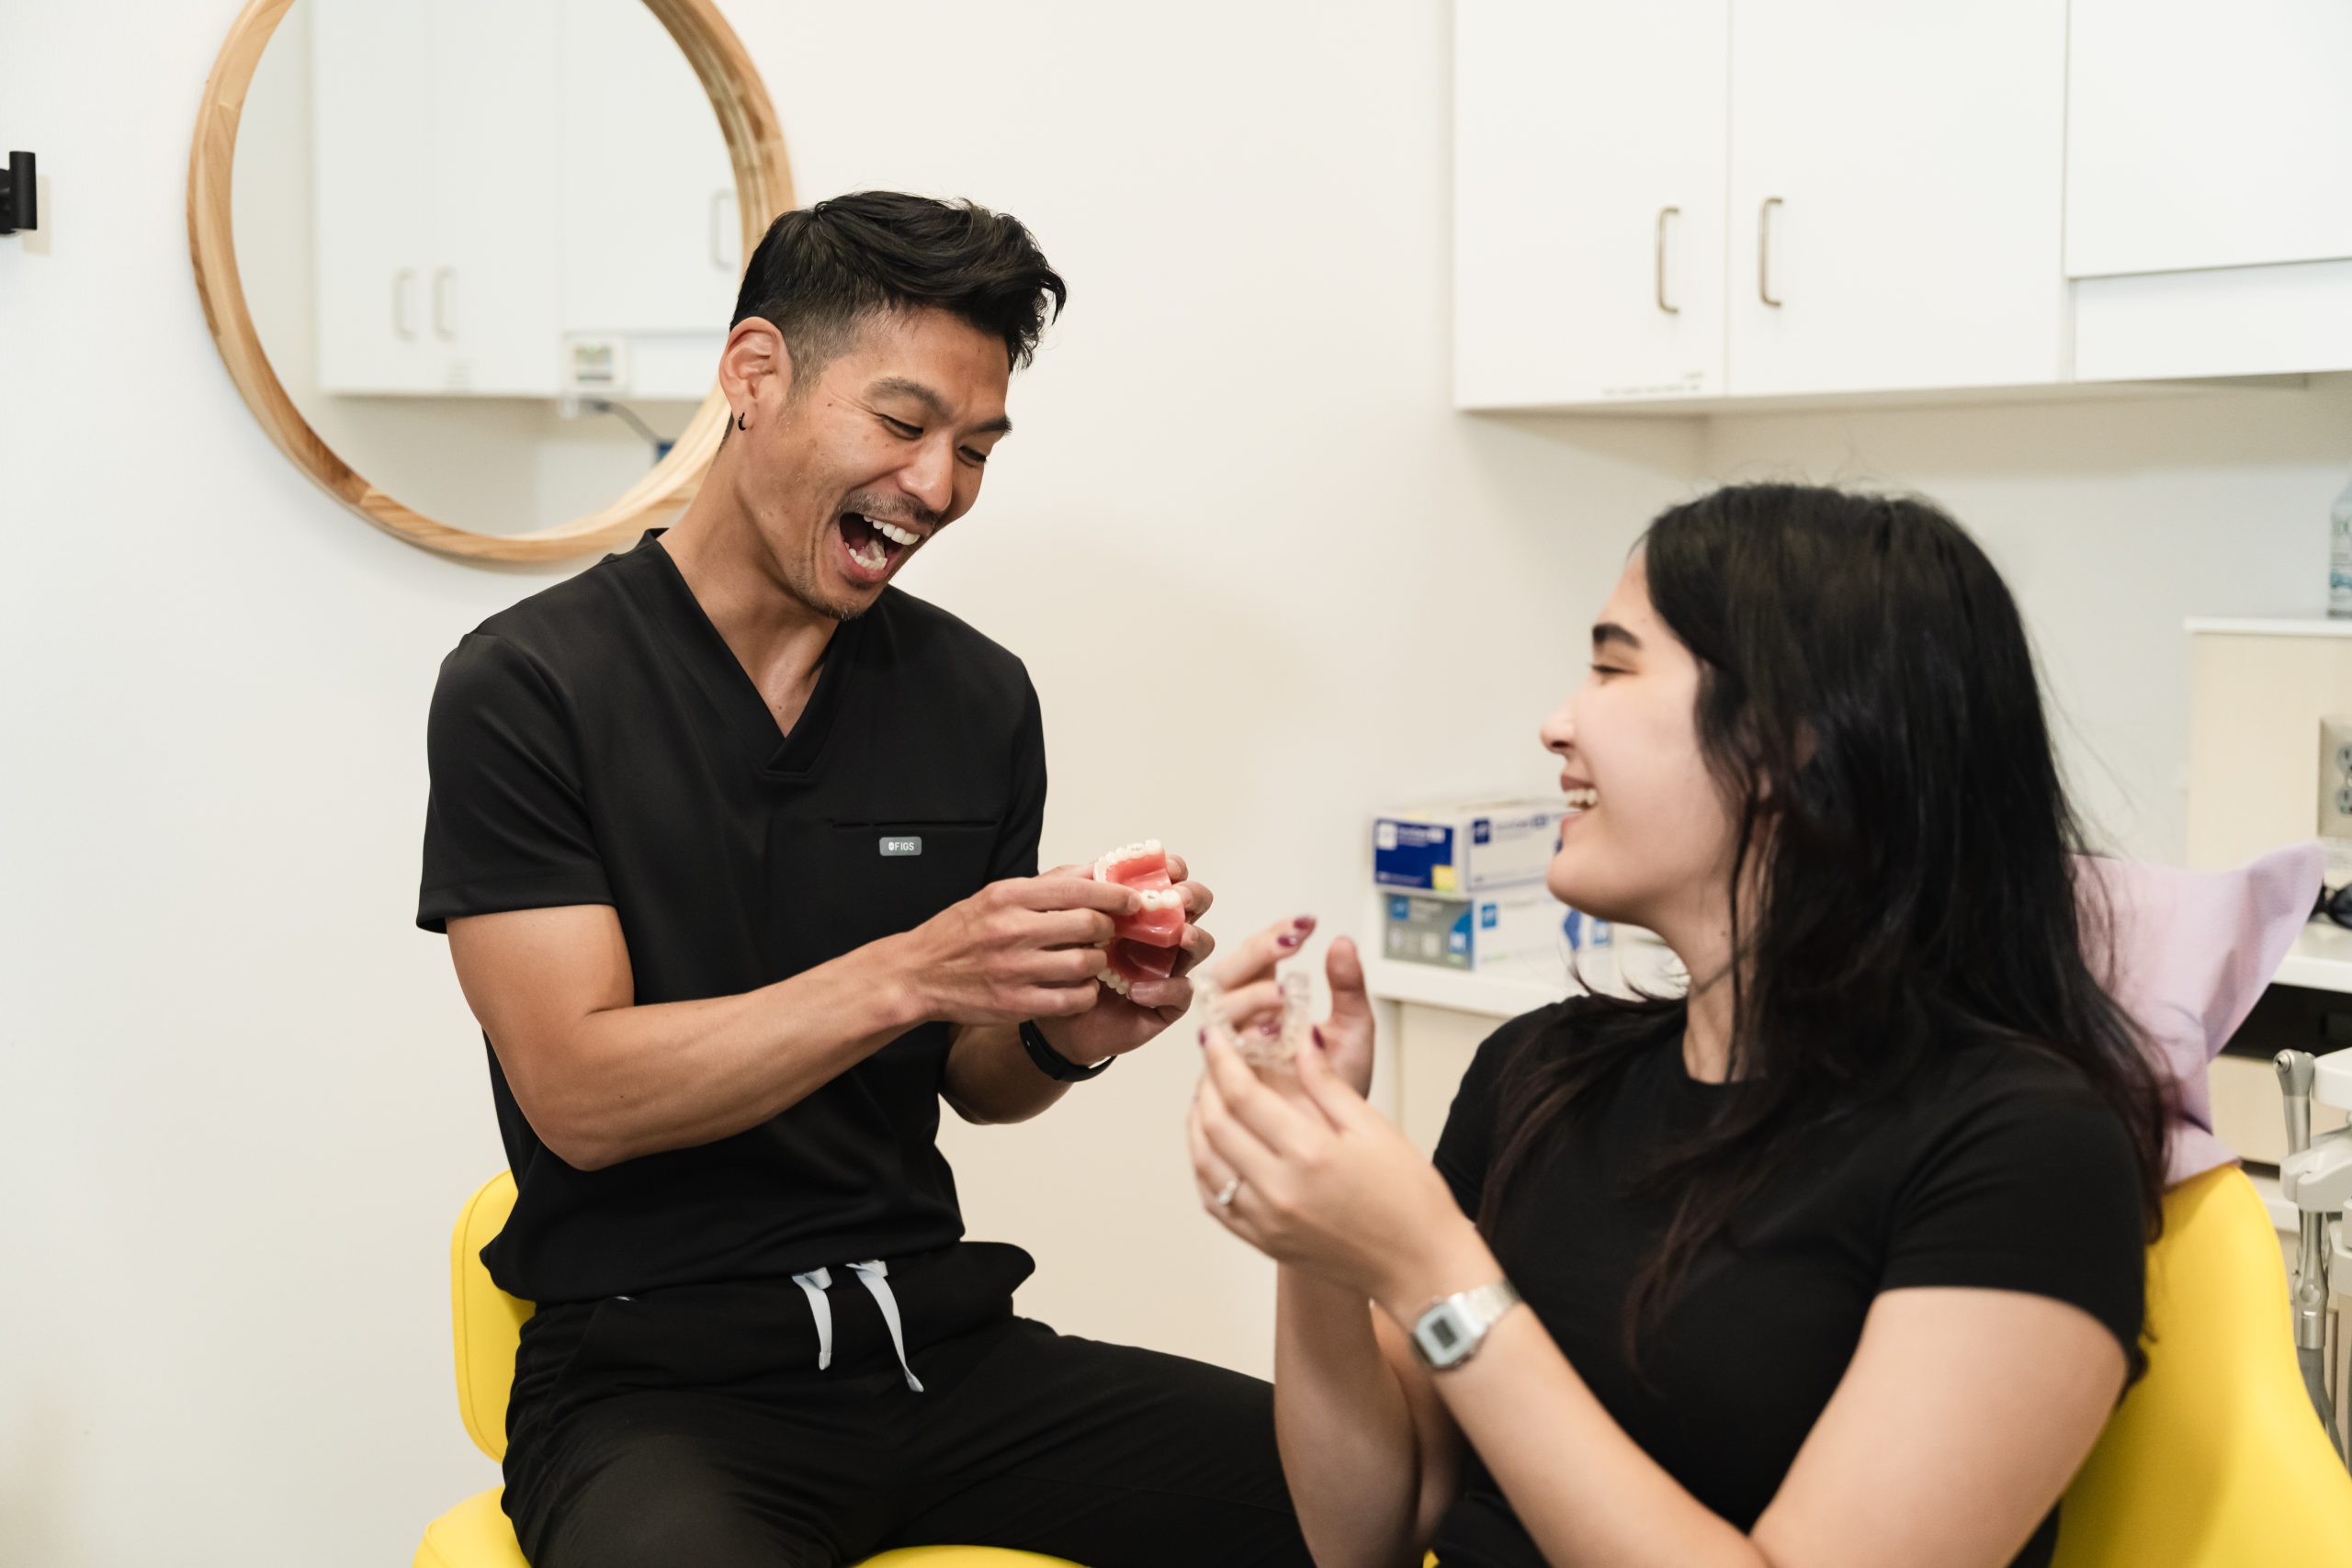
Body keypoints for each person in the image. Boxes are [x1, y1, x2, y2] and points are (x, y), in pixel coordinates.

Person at [418, 191, 1310, 1568]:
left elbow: (974, 1077)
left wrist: (1067, 1028)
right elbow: (582, 1096)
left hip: (938, 1351)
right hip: (656, 1389)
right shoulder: (530, 687)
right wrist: (914, 966)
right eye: (902, 426)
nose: (941, 487)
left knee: (1396, 1500)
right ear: (755, 375)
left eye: (976, 446)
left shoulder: (976, 695)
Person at [1189, 483, 2168, 1568]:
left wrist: (1433, 1273)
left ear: (1790, 738)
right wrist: (1316, 1223)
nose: (1557, 721)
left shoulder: (2021, 1150)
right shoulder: (1539, 1074)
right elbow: (1365, 1533)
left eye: (1612, 666)